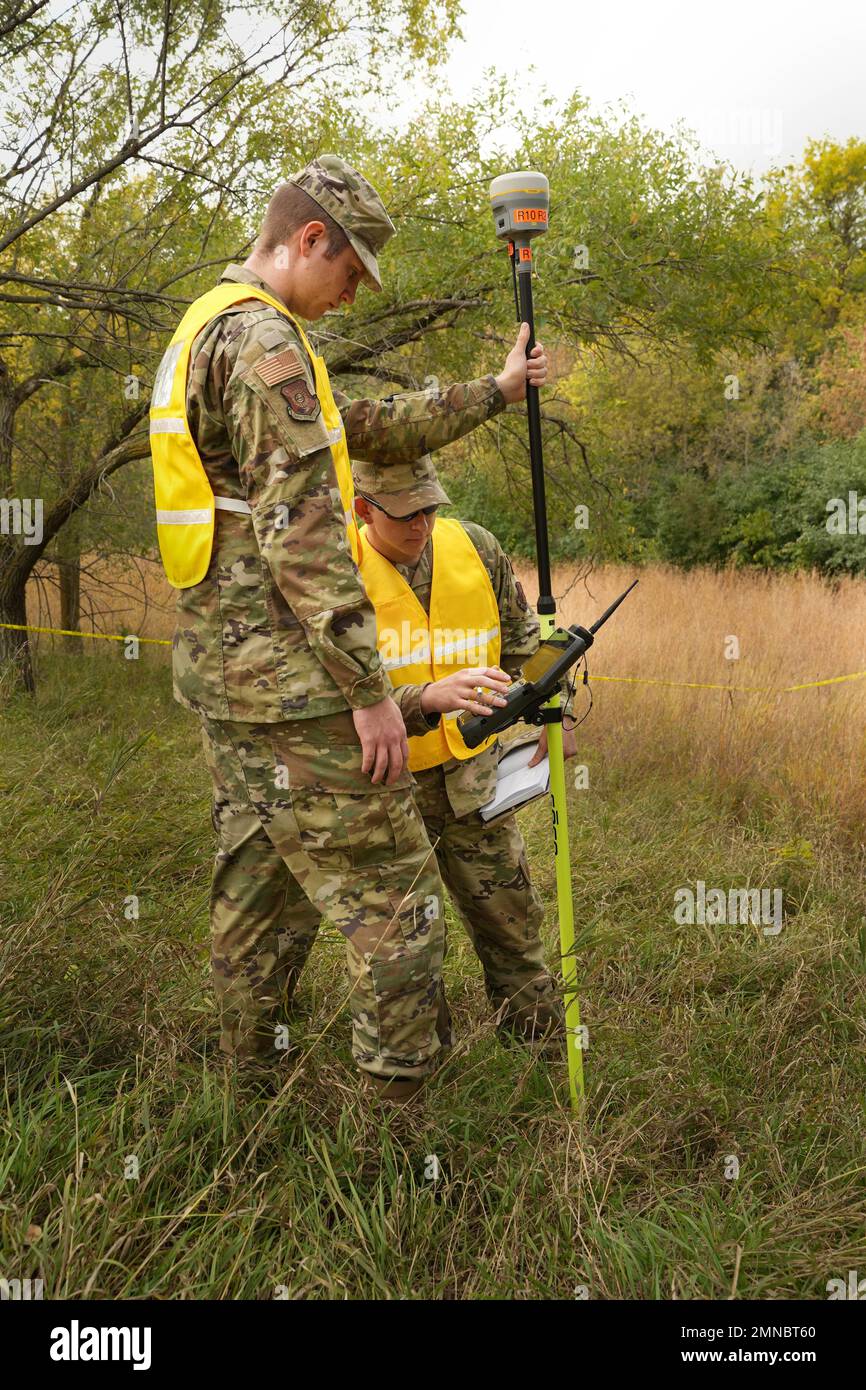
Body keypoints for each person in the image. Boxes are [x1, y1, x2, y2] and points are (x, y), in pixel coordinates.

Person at [148, 154, 548, 1100]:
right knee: (400, 908)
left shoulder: (209, 327)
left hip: (228, 686)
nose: (352, 295)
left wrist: (493, 392)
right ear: (308, 239)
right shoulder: (266, 346)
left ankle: (249, 1103)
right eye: (350, 272)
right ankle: (399, 1150)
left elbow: (358, 424)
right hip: (297, 689)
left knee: (259, 896)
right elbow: (307, 539)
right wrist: (373, 698)